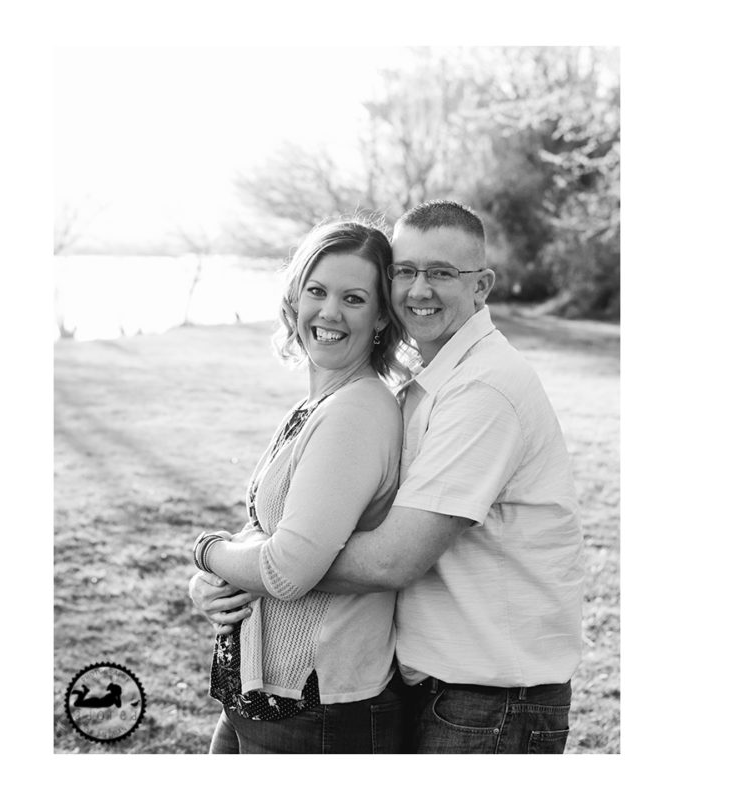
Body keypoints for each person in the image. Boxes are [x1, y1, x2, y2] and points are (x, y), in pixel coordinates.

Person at [200, 200, 585, 754]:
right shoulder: (427, 388)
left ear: (483, 286)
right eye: (405, 271)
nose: (419, 289)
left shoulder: (483, 390)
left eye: (442, 273)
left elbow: (389, 559)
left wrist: (233, 559)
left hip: (492, 699)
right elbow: (299, 528)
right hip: (438, 685)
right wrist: (245, 564)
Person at [188, 218, 412, 754]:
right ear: (296, 296)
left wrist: (206, 552)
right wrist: (209, 584)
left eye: (354, 298)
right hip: (259, 693)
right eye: (317, 290)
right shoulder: (317, 406)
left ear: (382, 315)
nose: (329, 311)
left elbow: (287, 569)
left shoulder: (357, 412)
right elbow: (265, 527)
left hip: (316, 711)